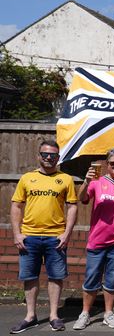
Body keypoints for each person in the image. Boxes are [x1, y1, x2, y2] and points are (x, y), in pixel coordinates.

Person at [10, 140, 77, 333]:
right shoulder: (27, 178)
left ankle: (54, 316)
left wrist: (66, 233)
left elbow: (73, 206)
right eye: (45, 154)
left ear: (58, 157)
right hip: (29, 237)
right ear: (39, 156)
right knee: (30, 277)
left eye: (53, 155)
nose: (49, 158)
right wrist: (17, 234)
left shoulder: (66, 179)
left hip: (55, 237)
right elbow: (16, 206)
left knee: (56, 277)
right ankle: (30, 316)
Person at [72, 148, 114, 330]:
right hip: (97, 240)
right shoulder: (97, 181)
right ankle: (85, 313)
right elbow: (83, 199)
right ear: (107, 164)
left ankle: (108, 313)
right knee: (92, 278)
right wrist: (86, 182)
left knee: (112, 279)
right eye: (113, 163)